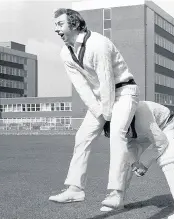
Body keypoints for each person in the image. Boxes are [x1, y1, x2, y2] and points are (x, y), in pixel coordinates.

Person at [49, 8, 140, 208]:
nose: (56, 29)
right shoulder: (66, 52)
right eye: (55, 25)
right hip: (101, 98)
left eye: (60, 24)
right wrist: (100, 112)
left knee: (117, 134)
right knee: (82, 137)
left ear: (74, 24)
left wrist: (107, 117)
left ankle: (116, 193)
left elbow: (107, 80)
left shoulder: (97, 44)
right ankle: (75, 189)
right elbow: (82, 87)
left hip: (124, 92)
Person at [101, 101, 174, 218]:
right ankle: (117, 199)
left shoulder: (143, 120)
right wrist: (134, 163)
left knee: (169, 158)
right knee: (125, 161)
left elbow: (161, 142)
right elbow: (129, 145)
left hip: (164, 124)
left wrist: (144, 164)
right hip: (139, 132)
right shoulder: (120, 122)